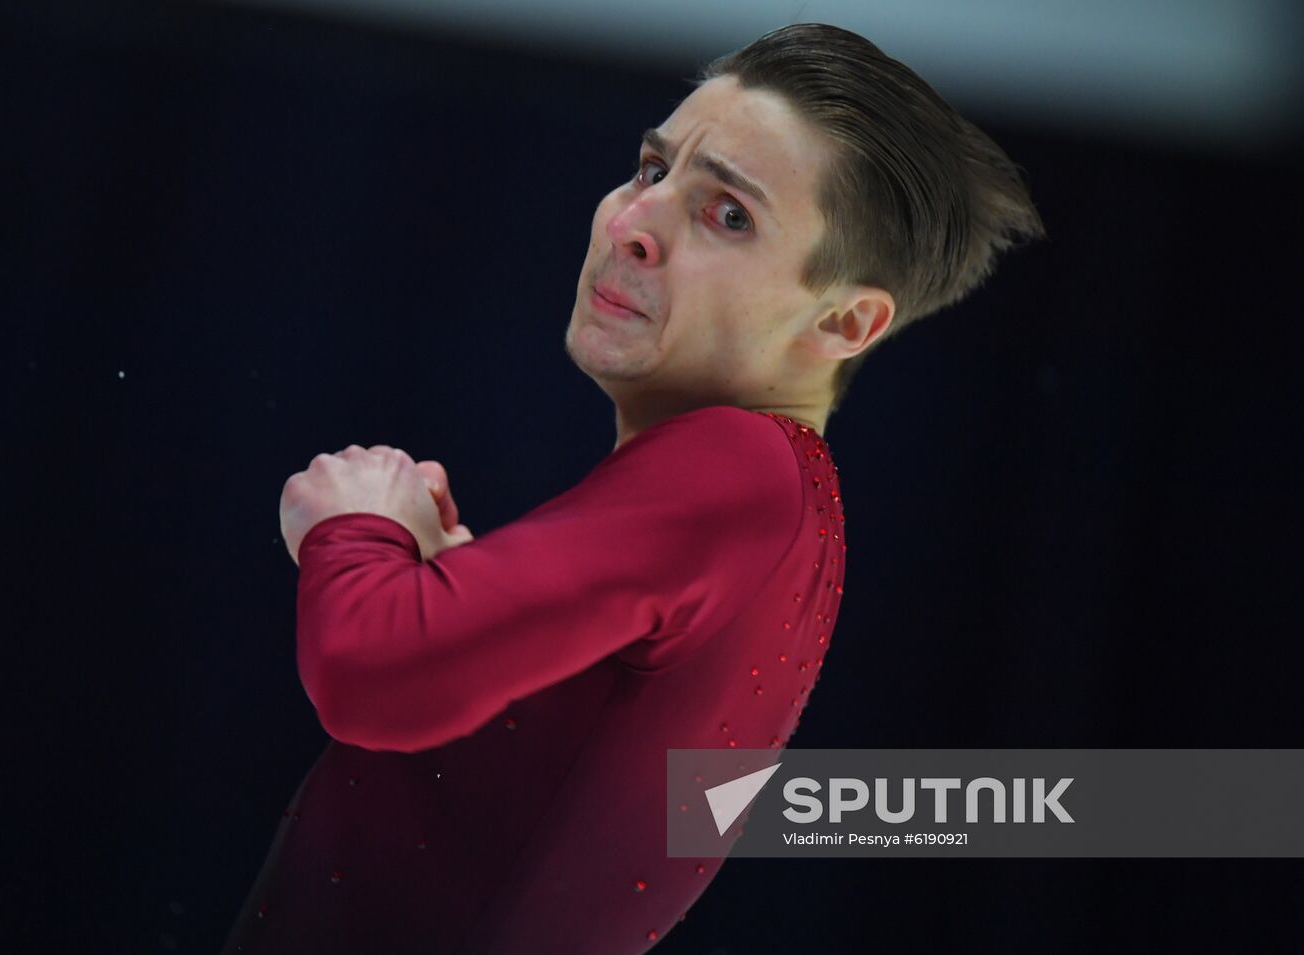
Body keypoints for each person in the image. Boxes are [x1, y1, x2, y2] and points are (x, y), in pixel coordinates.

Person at [223, 21, 1045, 954]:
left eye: (726, 214)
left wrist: (355, 524)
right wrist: (448, 587)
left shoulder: (739, 469)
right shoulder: (781, 504)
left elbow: (374, 671)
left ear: (848, 320)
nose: (630, 224)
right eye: (653, 169)